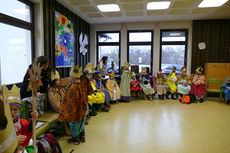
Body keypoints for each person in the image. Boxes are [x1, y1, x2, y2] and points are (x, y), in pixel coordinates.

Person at [59, 65, 94, 145]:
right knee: (81, 121)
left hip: (74, 109)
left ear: (73, 78)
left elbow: (69, 101)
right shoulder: (82, 84)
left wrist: (63, 105)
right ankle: (82, 136)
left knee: (74, 123)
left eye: (71, 77)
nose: (70, 78)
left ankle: (75, 139)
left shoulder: (73, 88)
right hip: (83, 107)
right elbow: (86, 81)